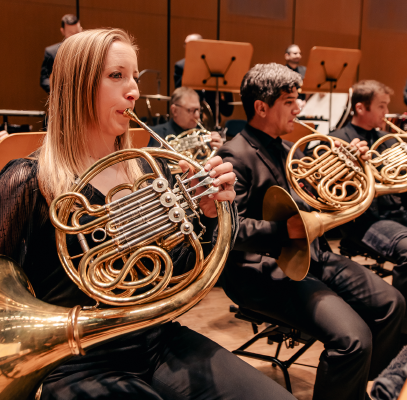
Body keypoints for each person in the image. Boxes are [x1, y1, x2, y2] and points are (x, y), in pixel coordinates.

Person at [0, 29, 296, 400]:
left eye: (135, 77)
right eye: (116, 76)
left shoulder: (145, 170)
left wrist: (207, 213)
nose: (134, 92)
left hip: (157, 337)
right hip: (78, 359)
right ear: (77, 86)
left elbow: (176, 269)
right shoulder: (27, 179)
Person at [217, 63, 405, 400]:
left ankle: (357, 388)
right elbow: (230, 230)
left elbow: (325, 199)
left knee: (391, 303)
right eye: (290, 101)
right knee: (353, 340)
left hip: (313, 256)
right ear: (261, 107)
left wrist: (354, 168)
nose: (299, 108)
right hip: (263, 271)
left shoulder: (291, 150)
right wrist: (283, 231)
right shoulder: (235, 154)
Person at [331, 79, 407, 341]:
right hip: (366, 221)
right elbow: (331, 190)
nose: (386, 112)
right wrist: (351, 163)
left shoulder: (387, 139)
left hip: (401, 214)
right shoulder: (336, 139)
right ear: (360, 108)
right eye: (381, 106)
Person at [174, 33, 234, 121]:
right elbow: (180, 91)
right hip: (190, 115)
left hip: (213, 115)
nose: (187, 47)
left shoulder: (214, 65)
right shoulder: (181, 66)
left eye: (191, 44)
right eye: (186, 45)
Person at [149, 87, 223, 150]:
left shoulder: (206, 138)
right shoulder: (154, 135)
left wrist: (219, 151)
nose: (197, 115)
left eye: (198, 110)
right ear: (174, 110)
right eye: (191, 110)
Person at [40, 14, 82, 94]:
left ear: (81, 29)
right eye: (71, 33)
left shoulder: (89, 50)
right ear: (62, 31)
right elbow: (44, 79)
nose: (75, 36)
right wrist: (57, 92)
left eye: (77, 32)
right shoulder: (51, 52)